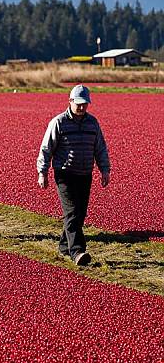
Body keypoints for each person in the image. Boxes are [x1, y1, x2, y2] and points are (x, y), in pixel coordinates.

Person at [37, 84, 110, 266]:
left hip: (85, 173)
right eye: (78, 103)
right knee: (72, 212)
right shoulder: (59, 122)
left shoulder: (92, 123)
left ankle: (64, 246)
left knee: (81, 213)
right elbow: (46, 149)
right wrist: (42, 172)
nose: (81, 107)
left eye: (85, 104)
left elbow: (99, 147)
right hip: (65, 174)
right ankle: (77, 251)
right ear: (70, 101)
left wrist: (104, 169)